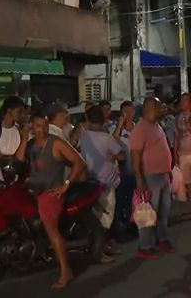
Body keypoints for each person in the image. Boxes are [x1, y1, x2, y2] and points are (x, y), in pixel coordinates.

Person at [16, 112, 86, 288]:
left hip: (50, 194)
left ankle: (65, 271)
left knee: (53, 232)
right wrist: (24, 139)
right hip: (33, 192)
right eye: (39, 126)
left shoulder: (56, 143)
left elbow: (79, 162)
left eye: (45, 125)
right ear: (32, 126)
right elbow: (18, 160)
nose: (43, 129)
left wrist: (66, 184)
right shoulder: (31, 144)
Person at [130, 97, 175, 260]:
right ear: (151, 108)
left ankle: (161, 239)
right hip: (150, 176)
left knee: (163, 211)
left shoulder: (156, 125)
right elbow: (135, 156)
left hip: (162, 175)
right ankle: (145, 246)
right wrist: (139, 180)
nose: (163, 109)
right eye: (159, 106)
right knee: (148, 214)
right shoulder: (140, 128)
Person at [80, 105, 125, 262]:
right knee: (104, 221)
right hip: (105, 184)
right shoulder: (106, 138)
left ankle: (102, 247)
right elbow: (121, 156)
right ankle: (98, 252)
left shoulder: (84, 137)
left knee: (96, 218)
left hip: (89, 182)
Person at [111, 101, 137, 240]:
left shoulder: (138, 128)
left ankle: (131, 225)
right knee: (120, 200)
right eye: (126, 111)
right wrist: (119, 125)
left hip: (137, 169)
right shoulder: (117, 130)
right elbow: (112, 141)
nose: (129, 114)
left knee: (133, 200)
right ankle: (118, 229)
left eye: (131, 111)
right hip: (123, 170)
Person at [0, 97, 27, 180]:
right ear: (9, 111)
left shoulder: (20, 131)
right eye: (19, 111)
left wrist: (24, 138)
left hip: (16, 179)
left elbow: (20, 159)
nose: (22, 115)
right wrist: (13, 159)